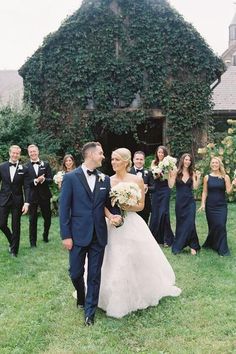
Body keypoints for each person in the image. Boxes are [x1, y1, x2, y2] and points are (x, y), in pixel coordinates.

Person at [98, 148, 181, 319]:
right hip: (113, 223)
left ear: (126, 162)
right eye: (112, 159)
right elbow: (103, 204)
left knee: (134, 256)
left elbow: (141, 205)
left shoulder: (137, 180)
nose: (113, 162)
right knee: (112, 256)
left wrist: (126, 205)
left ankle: (140, 291)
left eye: (117, 160)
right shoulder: (107, 180)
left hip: (132, 222)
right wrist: (112, 215)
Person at [59, 142, 122, 326]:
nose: (104, 156)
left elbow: (110, 206)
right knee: (75, 273)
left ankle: (89, 313)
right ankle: (81, 294)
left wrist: (117, 216)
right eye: (101, 153)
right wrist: (66, 235)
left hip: (98, 234)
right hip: (77, 234)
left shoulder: (105, 179)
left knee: (94, 274)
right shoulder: (70, 178)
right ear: (91, 155)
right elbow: (64, 209)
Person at [199, 156, 234, 256]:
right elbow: (205, 192)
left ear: (219, 165)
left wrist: (233, 185)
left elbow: (228, 191)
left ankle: (223, 250)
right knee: (213, 226)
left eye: (216, 163)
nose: (214, 164)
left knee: (221, 225)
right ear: (211, 164)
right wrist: (202, 204)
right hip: (210, 206)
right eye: (213, 163)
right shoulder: (207, 177)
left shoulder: (225, 177)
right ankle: (212, 244)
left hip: (221, 206)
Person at [168, 153, 201, 255]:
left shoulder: (192, 173)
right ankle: (180, 244)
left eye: (189, 160)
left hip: (190, 201)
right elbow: (170, 185)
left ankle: (193, 245)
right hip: (180, 202)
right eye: (186, 159)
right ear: (182, 160)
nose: (187, 161)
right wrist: (171, 175)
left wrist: (198, 178)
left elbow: (195, 188)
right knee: (181, 222)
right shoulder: (176, 172)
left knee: (190, 222)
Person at [0, 145, 29, 257]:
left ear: (19, 154)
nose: (15, 155)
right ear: (9, 153)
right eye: (13, 153)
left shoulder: (24, 169)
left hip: (17, 200)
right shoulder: (1, 167)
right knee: (1, 223)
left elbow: (26, 186)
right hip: (3, 199)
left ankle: (14, 251)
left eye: (17, 153)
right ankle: (13, 241)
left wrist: (27, 202)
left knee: (16, 225)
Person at [26, 144, 53, 247]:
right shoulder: (26, 166)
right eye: (31, 151)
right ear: (29, 153)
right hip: (32, 196)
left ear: (38, 152)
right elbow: (27, 183)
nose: (33, 153)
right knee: (32, 219)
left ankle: (45, 235)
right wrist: (36, 181)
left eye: (34, 151)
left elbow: (50, 180)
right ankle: (33, 242)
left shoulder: (45, 164)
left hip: (45, 195)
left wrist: (44, 180)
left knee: (47, 218)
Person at [149, 146, 174, 246]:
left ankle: (166, 239)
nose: (160, 154)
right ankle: (154, 238)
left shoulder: (169, 163)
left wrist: (164, 173)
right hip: (156, 189)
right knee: (155, 212)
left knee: (164, 212)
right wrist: (157, 174)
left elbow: (171, 176)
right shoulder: (153, 163)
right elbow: (153, 176)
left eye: (162, 153)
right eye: (159, 152)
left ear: (165, 154)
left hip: (165, 188)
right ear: (157, 153)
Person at [130, 151, 154, 223]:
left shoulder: (148, 172)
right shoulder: (128, 171)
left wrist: (147, 188)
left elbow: (154, 188)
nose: (139, 161)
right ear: (133, 160)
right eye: (137, 159)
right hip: (131, 205)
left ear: (144, 161)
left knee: (144, 226)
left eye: (141, 159)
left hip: (145, 205)